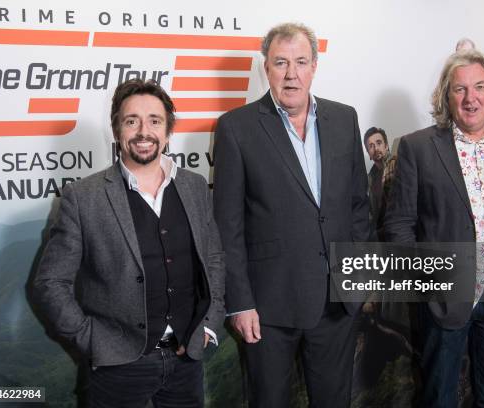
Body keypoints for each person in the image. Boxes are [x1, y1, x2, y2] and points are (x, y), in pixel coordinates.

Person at [31, 79, 225, 407]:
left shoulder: (194, 187)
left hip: (186, 360)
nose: (143, 131)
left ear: (168, 130)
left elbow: (214, 258)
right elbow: (50, 283)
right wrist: (92, 339)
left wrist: (209, 324)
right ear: (117, 130)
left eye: (154, 121)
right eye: (131, 121)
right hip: (118, 369)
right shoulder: (83, 197)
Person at [213, 22, 369, 408]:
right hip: (268, 309)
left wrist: (359, 275)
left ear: (314, 66)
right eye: (280, 63)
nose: (291, 73)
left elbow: (359, 206)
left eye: (300, 62)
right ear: (266, 68)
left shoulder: (345, 119)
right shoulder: (236, 128)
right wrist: (240, 302)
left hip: (336, 302)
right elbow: (227, 226)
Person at [384, 50, 484, 407]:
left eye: (480, 87)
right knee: (439, 398)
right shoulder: (418, 147)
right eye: (460, 89)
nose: (470, 98)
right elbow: (398, 226)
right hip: (445, 301)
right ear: (447, 96)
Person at [364, 127, 396, 238]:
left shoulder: (398, 165)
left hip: (399, 231)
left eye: (379, 143)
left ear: (386, 146)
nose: (376, 148)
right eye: (371, 146)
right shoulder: (370, 179)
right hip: (382, 235)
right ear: (368, 153)